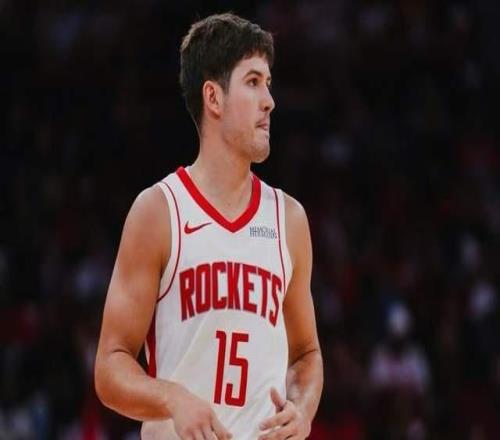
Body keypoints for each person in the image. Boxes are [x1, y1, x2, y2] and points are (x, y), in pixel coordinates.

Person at [94, 12, 323, 440]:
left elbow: (306, 353)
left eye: (268, 83)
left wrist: (302, 408)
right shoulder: (159, 211)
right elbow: (109, 366)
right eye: (253, 82)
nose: (269, 101)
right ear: (213, 98)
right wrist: (172, 398)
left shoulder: (289, 219)